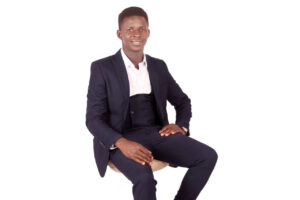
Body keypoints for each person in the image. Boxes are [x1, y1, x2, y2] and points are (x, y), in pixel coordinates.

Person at [86, 6, 217, 200]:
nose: (136, 34)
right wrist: (121, 143)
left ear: (148, 33)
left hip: (156, 133)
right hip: (120, 139)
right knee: (144, 177)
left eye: (141, 29)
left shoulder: (158, 66)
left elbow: (182, 101)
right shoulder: (102, 68)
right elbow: (93, 119)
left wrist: (181, 126)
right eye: (130, 29)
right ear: (119, 34)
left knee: (207, 156)